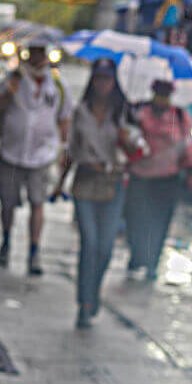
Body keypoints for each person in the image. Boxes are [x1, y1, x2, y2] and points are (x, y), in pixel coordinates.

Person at [66, 60, 142, 328]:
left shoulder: (122, 114)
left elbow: (139, 150)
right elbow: (71, 150)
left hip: (113, 183)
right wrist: (60, 182)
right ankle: (84, 301)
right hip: (86, 181)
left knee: (106, 247)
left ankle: (94, 292)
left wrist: (127, 138)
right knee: (89, 241)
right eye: (98, 79)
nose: (102, 85)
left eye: (107, 80)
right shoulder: (81, 112)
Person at [0, 44, 72, 276]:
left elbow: (64, 117)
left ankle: (34, 250)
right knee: (7, 202)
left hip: (41, 154)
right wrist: (9, 90)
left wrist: (64, 149)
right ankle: (5, 241)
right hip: (11, 152)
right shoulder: (14, 78)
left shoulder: (57, 85)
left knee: (38, 202)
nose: (36, 59)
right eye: (32, 53)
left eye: (40, 54)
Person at [124, 79, 192, 282]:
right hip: (140, 177)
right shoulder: (138, 114)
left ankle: (153, 262)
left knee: (160, 223)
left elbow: (189, 146)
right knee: (135, 219)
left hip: (167, 179)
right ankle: (137, 255)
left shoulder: (179, 117)